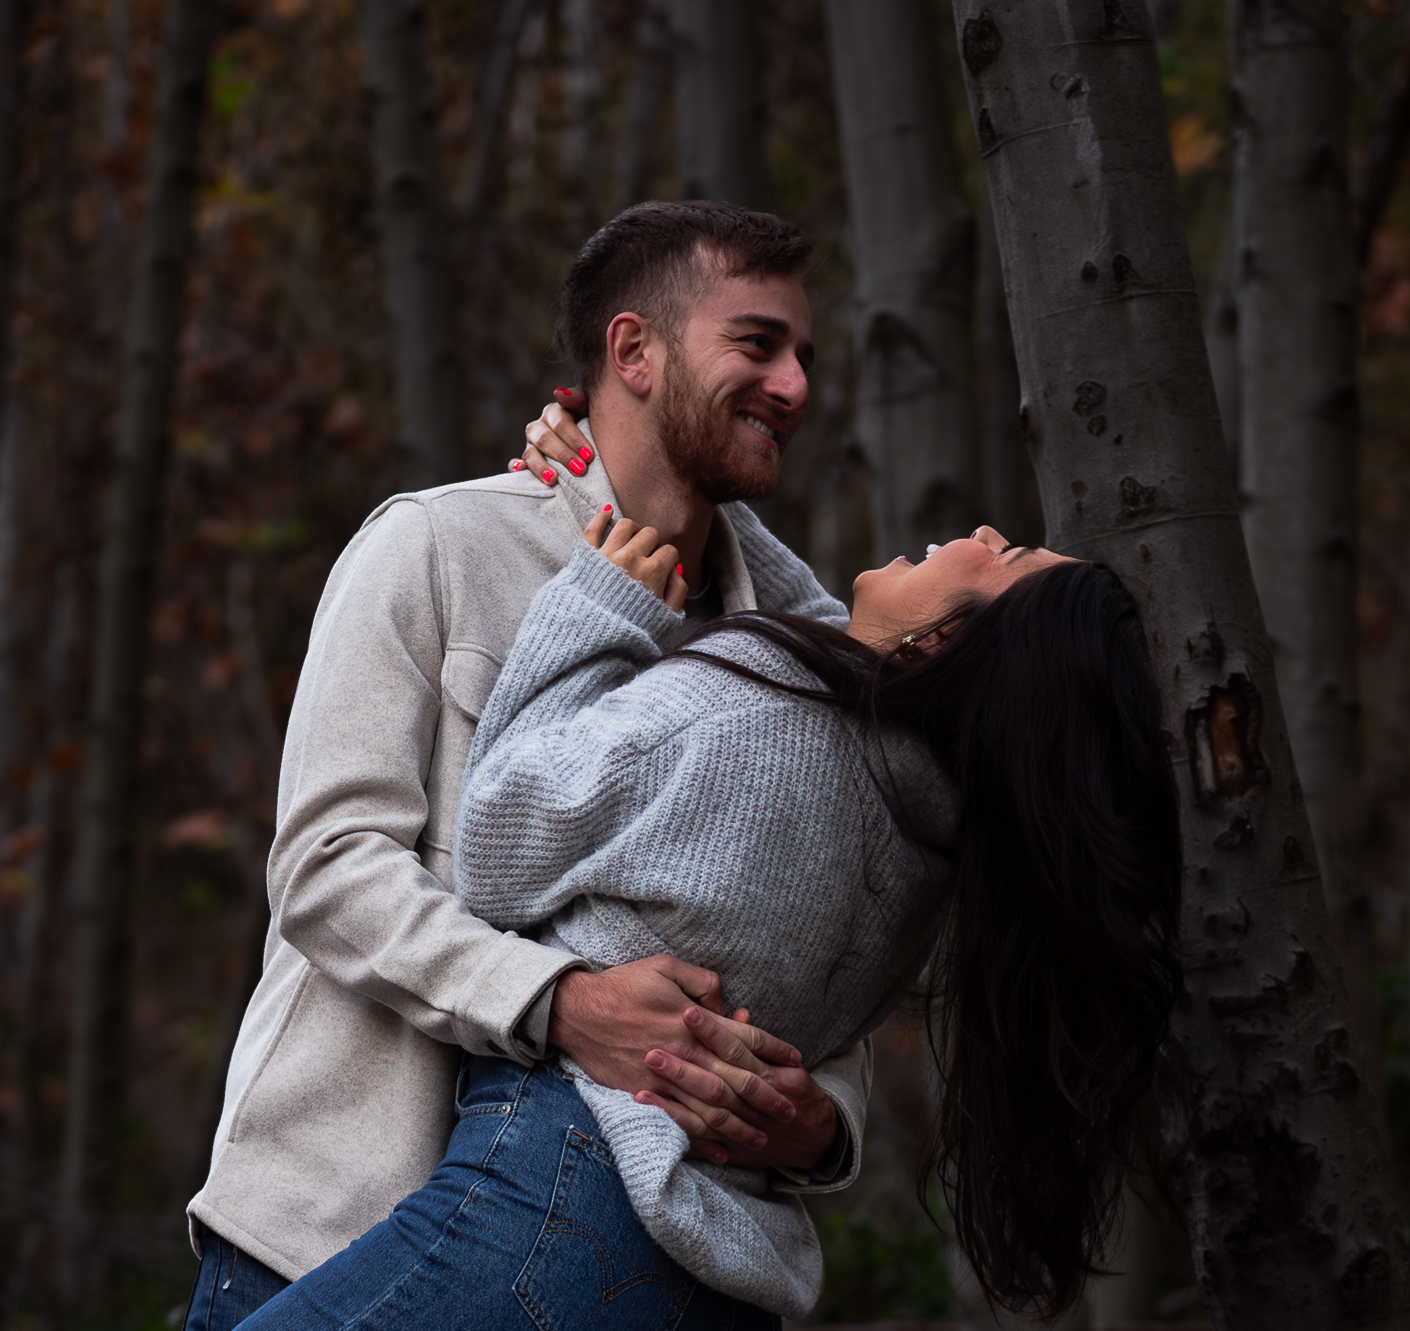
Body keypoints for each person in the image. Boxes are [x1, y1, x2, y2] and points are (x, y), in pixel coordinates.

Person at [183, 202, 876, 1331]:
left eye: (803, 354)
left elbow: (845, 945)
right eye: (757, 344)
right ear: (632, 352)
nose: (795, 384)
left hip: (632, 1271)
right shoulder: (437, 545)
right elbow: (325, 865)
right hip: (327, 1234)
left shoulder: (808, 653)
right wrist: (559, 1003)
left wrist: (821, 1122)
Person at [234, 507, 1184, 1329]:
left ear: (947, 646)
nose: (983, 531)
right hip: (719, 1273)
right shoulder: (922, 825)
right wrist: (678, 501)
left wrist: (602, 601)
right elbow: (838, 626)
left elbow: (501, 839)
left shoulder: (760, 725)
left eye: (1005, 555)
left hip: (566, 1191)